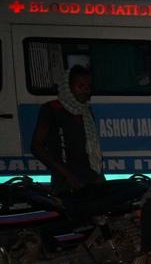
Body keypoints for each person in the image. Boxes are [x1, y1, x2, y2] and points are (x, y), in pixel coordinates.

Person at [31, 65, 104, 195]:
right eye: (80, 86)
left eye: (88, 87)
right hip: (66, 182)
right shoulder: (52, 109)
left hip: (90, 179)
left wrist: (99, 176)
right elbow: (36, 147)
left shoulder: (86, 111)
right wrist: (68, 176)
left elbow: (92, 149)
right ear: (68, 87)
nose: (85, 91)